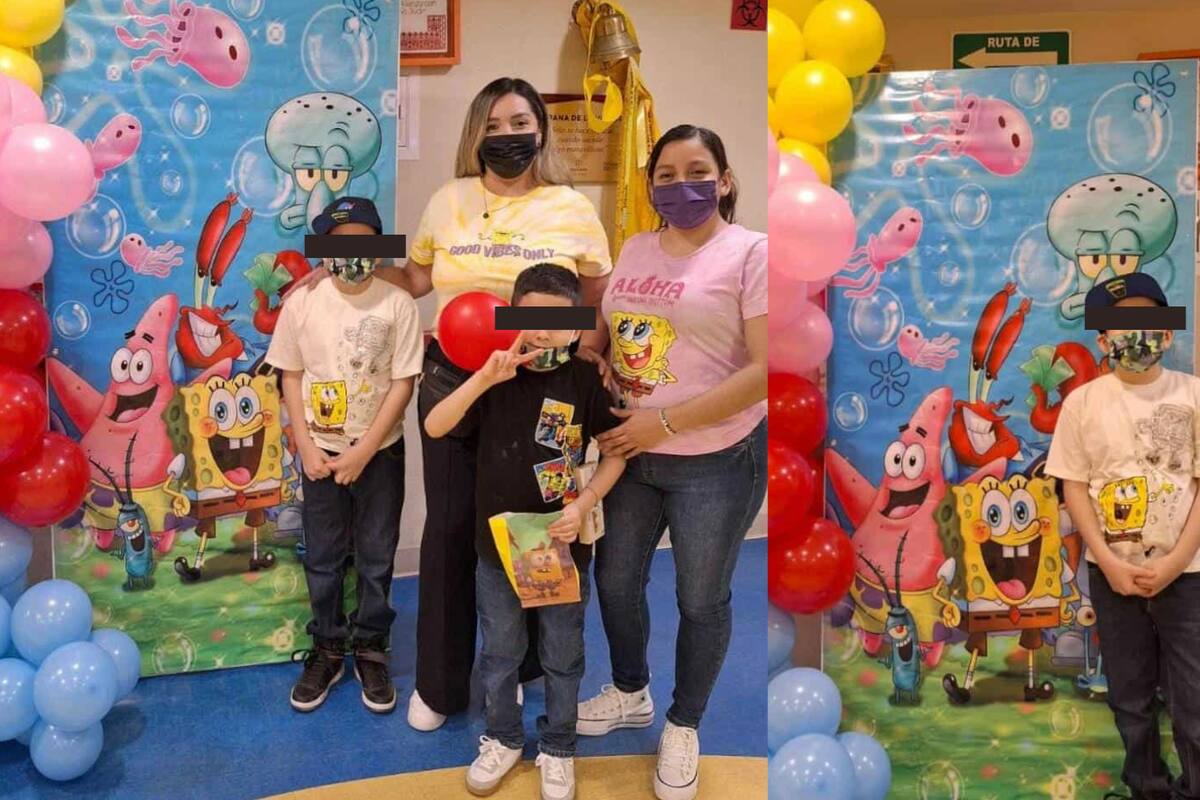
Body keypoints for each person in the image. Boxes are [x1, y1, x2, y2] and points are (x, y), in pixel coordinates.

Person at [576, 125, 767, 800]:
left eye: (696, 171)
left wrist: (664, 423)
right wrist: (591, 355)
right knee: (614, 581)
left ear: (724, 180)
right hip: (628, 454)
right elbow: (603, 332)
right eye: (665, 174)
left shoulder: (751, 253)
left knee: (700, 598)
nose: (680, 185)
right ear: (650, 184)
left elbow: (766, 371)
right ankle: (631, 691)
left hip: (713, 459)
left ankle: (684, 723)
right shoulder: (634, 246)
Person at [425, 264, 626, 800]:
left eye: (558, 322)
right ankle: (503, 737)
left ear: (577, 326)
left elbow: (615, 454)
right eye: (530, 318)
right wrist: (483, 379)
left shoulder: (584, 379)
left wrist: (586, 503)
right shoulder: (492, 375)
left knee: (562, 653)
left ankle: (558, 746)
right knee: (500, 651)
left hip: (559, 543)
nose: (542, 332)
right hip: (497, 547)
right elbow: (435, 426)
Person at [265, 197, 424, 714]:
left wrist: (366, 449)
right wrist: (305, 443)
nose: (353, 253)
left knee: (377, 556)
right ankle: (329, 646)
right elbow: (290, 375)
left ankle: (372, 646)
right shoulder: (302, 304)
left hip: (381, 455)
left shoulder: (397, 304)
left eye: (364, 242)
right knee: (324, 557)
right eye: (339, 243)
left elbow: (403, 382)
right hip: (320, 456)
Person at [1047, 273, 1200, 800]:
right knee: (1131, 700)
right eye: (1120, 323)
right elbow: (1073, 486)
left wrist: (1177, 560)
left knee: (1194, 700)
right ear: (1102, 339)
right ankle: (1147, 788)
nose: (1135, 333)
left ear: (1168, 332)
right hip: (1112, 577)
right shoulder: (1082, 404)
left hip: (1188, 576)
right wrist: (1108, 561)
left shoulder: (1194, 395)